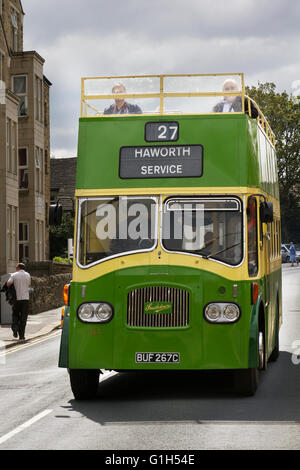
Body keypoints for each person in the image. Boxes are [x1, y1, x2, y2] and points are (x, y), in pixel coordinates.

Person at [7, 263, 31, 341]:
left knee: (15, 315)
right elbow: (28, 285)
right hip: (25, 299)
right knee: (23, 318)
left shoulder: (14, 275)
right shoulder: (28, 275)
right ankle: (22, 336)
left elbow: (8, 283)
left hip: (16, 299)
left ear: (18, 268)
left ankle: (15, 328)